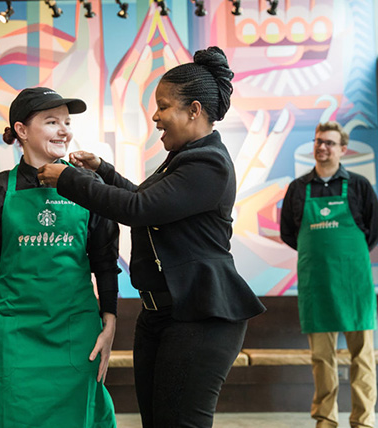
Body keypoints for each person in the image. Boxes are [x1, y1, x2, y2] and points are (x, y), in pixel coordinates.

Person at [38, 46, 266, 428]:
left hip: (201, 315)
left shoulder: (208, 162)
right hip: (162, 313)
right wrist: (104, 171)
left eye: (163, 106)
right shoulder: (183, 158)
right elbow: (146, 203)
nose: (156, 116)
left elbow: (137, 209)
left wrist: (70, 180)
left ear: (194, 110)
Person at [0, 87, 119, 428]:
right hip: (15, 333)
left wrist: (110, 320)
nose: (65, 130)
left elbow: (105, 262)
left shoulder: (89, 185)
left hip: (75, 332)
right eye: (52, 122)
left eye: (66, 121)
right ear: (21, 130)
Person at [280, 121, 378, 428]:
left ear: (342, 149)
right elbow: (289, 233)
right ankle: (325, 419)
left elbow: (374, 232)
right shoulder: (298, 188)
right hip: (317, 283)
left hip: (355, 285)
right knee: (321, 360)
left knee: (362, 357)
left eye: (328, 142)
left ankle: (363, 421)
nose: (321, 147)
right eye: (318, 141)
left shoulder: (360, 186)